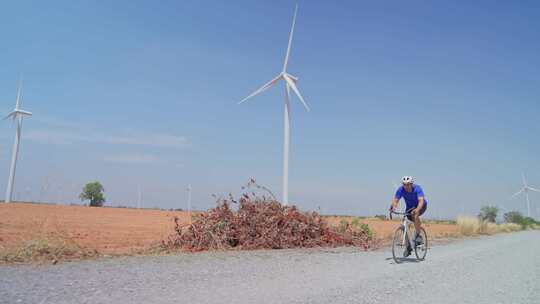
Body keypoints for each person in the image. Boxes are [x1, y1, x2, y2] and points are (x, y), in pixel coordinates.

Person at [390, 176, 428, 256]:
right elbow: (396, 200)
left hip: (421, 205)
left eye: (408, 184)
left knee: (415, 215)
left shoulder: (417, 188)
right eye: (404, 184)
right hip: (410, 208)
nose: (406, 186)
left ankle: (418, 236)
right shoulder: (401, 190)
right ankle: (408, 247)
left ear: (411, 184)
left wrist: (417, 209)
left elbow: (421, 201)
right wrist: (393, 207)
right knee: (404, 225)